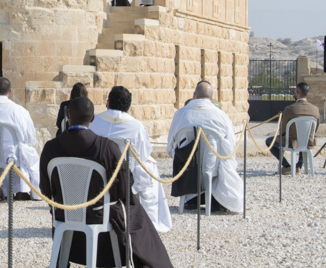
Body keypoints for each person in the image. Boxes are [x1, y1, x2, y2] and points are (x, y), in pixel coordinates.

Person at [40, 97, 173, 268]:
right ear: (93, 118)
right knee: (137, 214)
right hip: (99, 214)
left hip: (63, 214)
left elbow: (45, 188)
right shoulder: (106, 147)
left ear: (67, 115)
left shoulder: (51, 147)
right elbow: (124, 186)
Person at [89, 86, 172, 233]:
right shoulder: (136, 127)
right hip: (125, 179)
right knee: (150, 170)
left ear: (108, 103)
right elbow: (144, 153)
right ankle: (149, 221)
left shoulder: (94, 123)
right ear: (129, 106)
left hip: (96, 179)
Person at [167, 81, 243, 213]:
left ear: (194, 95)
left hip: (186, 165)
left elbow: (170, 147)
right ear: (212, 98)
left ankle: (191, 199)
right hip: (212, 167)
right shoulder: (221, 116)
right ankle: (215, 198)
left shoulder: (180, 114)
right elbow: (230, 149)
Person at [266, 82, 320, 174]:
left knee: (269, 141)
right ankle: (299, 165)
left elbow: (283, 128)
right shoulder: (315, 109)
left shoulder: (290, 109)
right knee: (304, 138)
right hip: (308, 141)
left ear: (297, 93)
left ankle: (287, 166)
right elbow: (315, 128)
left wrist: (282, 136)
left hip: (291, 142)